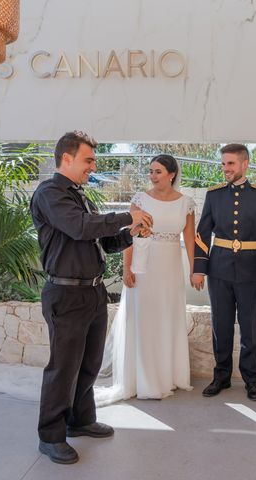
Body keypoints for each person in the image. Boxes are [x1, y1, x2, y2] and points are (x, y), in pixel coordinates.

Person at [30, 131, 153, 464]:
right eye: (88, 160)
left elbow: (103, 242)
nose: (92, 167)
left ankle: (80, 420)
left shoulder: (81, 196)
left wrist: (130, 233)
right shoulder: (50, 194)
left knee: (89, 364)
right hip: (66, 293)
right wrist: (128, 216)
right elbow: (81, 228)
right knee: (63, 367)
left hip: (93, 292)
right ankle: (50, 436)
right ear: (66, 159)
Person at [96, 154, 195, 404]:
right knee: (145, 317)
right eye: (151, 171)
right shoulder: (140, 200)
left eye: (158, 171)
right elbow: (130, 236)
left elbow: (191, 240)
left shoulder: (187, 203)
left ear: (172, 174)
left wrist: (195, 269)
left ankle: (169, 375)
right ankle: (143, 379)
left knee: (167, 316)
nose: (152, 175)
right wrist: (126, 269)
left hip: (171, 267)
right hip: (144, 266)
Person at [191, 143, 256, 402]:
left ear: (244, 164)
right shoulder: (214, 195)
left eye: (230, 163)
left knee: (249, 328)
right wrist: (199, 269)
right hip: (219, 269)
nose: (225, 169)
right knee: (221, 326)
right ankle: (221, 377)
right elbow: (202, 233)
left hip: (251, 270)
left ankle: (252, 380)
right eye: (223, 164)